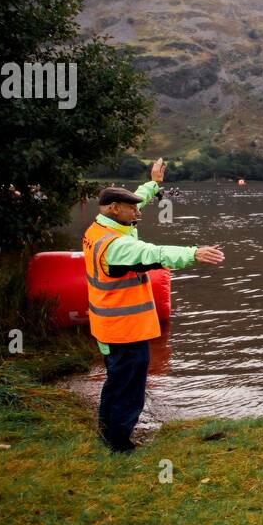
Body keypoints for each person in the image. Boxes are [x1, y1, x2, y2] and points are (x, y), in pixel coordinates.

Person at [85, 158, 225, 452]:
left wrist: (153, 184)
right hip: (126, 331)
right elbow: (155, 253)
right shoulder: (117, 245)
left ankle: (107, 431)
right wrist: (193, 253)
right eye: (131, 208)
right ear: (114, 209)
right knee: (129, 388)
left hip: (107, 326)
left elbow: (139, 200)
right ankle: (120, 444)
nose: (138, 211)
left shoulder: (100, 230)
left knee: (115, 382)